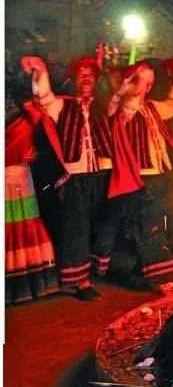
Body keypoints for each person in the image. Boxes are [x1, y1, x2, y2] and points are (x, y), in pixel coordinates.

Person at [93, 61, 173, 292]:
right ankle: (159, 278)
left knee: (147, 224)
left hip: (158, 175)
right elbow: (128, 105)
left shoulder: (152, 107)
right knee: (147, 224)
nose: (146, 88)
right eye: (143, 83)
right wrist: (135, 84)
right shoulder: (124, 109)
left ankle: (138, 272)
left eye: (149, 84)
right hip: (139, 178)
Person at [21, 55, 114, 300]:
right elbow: (43, 96)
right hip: (74, 175)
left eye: (90, 75)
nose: (86, 78)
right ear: (74, 80)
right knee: (77, 227)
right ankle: (80, 282)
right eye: (81, 74)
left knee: (98, 223)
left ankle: (93, 270)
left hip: (101, 172)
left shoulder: (103, 105)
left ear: (95, 80)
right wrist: (40, 69)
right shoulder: (62, 105)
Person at [5, 101, 65, 304]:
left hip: (22, 176)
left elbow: (42, 140)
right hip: (11, 178)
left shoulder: (28, 118)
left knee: (25, 223)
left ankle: (30, 285)